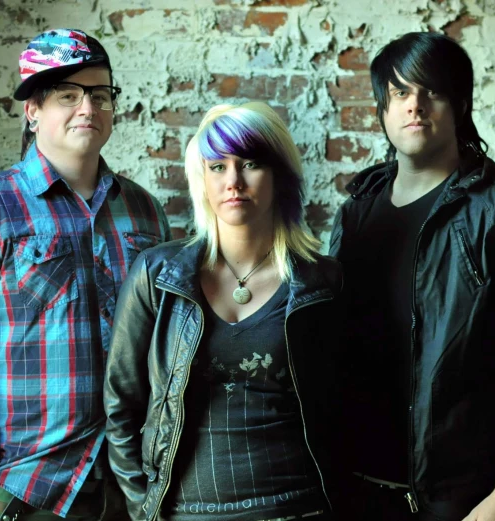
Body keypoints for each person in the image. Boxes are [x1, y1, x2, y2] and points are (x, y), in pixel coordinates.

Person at [0, 28, 171, 520]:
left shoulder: (144, 211)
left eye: (100, 95)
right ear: (32, 110)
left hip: (129, 474)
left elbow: (165, 336)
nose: (88, 109)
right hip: (25, 479)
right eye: (68, 95)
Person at [329, 32, 495, 521]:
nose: (415, 105)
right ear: (383, 108)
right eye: (400, 93)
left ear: (459, 104)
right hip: (350, 486)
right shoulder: (356, 213)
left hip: (456, 497)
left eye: (432, 91)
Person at [104, 102, 344, 521]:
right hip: (185, 510)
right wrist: (142, 509)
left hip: (296, 507)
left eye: (250, 163)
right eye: (217, 167)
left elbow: (348, 406)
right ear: (202, 179)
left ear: (279, 175)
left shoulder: (321, 283)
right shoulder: (157, 276)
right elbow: (121, 404)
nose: (233, 181)